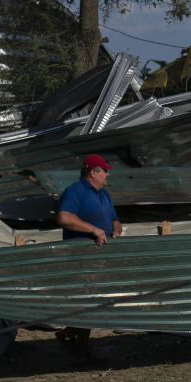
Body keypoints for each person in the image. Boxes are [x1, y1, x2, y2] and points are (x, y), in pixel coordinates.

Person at [54, 154, 122, 359]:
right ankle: (73, 339)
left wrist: (116, 229)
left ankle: (74, 341)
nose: (108, 174)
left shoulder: (104, 194)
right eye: (104, 170)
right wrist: (94, 230)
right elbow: (64, 217)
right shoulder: (76, 191)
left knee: (92, 302)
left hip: (100, 256)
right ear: (93, 172)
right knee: (87, 301)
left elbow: (115, 219)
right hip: (80, 255)